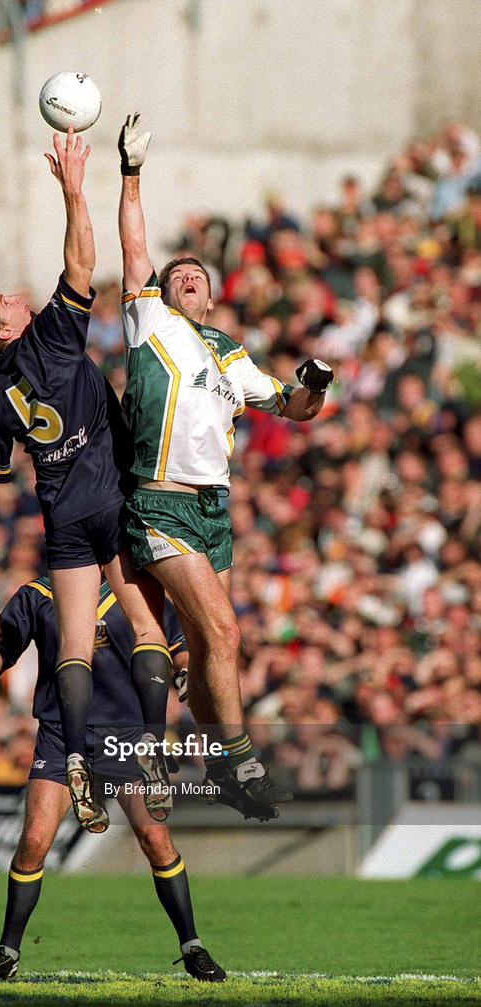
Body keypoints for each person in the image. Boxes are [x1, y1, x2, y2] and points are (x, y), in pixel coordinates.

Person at [0, 128, 173, 833]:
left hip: (61, 516)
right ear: (8, 331)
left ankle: (74, 760)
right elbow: (83, 259)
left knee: (72, 645)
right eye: (3, 304)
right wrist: (73, 187)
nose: (14, 296)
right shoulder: (48, 336)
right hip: (111, 496)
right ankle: (153, 750)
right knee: (143, 623)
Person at [116, 113, 335, 819]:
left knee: (212, 654)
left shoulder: (228, 351)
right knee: (224, 634)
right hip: (159, 502)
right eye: (175, 275)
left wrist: (317, 384)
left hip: (212, 509)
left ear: (209, 297)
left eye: (194, 277)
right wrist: (130, 174)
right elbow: (133, 247)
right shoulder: (150, 321)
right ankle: (241, 766)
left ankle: (218, 767)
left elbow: (294, 408)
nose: (183, 278)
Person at [0, 575, 226, 984]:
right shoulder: (37, 595)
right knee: (33, 842)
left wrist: (189, 684)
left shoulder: (138, 590)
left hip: (126, 736)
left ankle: (193, 946)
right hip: (60, 736)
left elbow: (178, 653)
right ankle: (8, 951)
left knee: (156, 840)